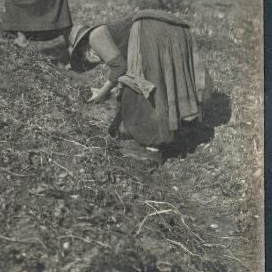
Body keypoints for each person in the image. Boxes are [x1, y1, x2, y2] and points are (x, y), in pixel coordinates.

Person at [68, 9, 211, 163]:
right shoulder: (116, 39)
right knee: (157, 84)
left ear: (86, 51)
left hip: (150, 30)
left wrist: (102, 91)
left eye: (86, 61)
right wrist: (115, 125)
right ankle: (176, 131)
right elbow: (124, 77)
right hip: (169, 28)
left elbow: (119, 68)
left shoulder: (95, 36)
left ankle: (152, 149)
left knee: (141, 91)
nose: (96, 63)